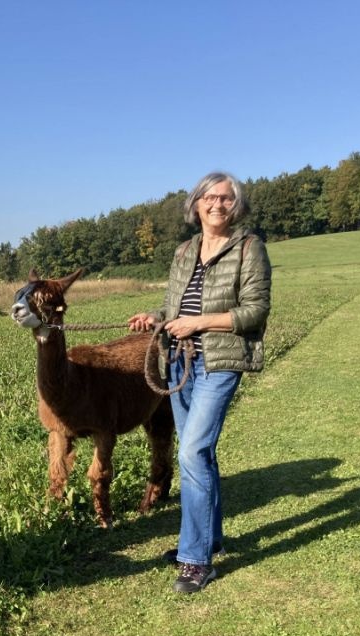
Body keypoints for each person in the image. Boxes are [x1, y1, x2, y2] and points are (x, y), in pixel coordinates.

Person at [128, 171, 271, 594]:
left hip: (220, 361)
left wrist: (199, 323)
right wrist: (156, 319)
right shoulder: (185, 250)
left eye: (225, 198)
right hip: (178, 362)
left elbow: (255, 311)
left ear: (236, 205)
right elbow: (175, 307)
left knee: (192, 451)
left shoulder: (249, 248)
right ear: (195, 205)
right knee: (200, 456)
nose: (217, 205)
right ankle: (209, 539)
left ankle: (195, 559)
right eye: (209, 198)